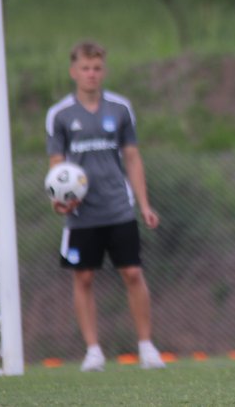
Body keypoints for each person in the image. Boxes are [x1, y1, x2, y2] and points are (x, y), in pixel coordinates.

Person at [46, 40, 165, 372]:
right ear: (74, 72)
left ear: (104, 71)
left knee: (132, 272)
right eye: (85, 68)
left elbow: (132, 156)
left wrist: (144, 204)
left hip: (118, 206)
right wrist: (59, 199)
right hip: (81, 212)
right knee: (83, 277)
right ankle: (93, 351)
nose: (91, 74)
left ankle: (146, 346)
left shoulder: (120, 109)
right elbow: (58, 164)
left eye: (97, 68)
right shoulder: (60, 115)